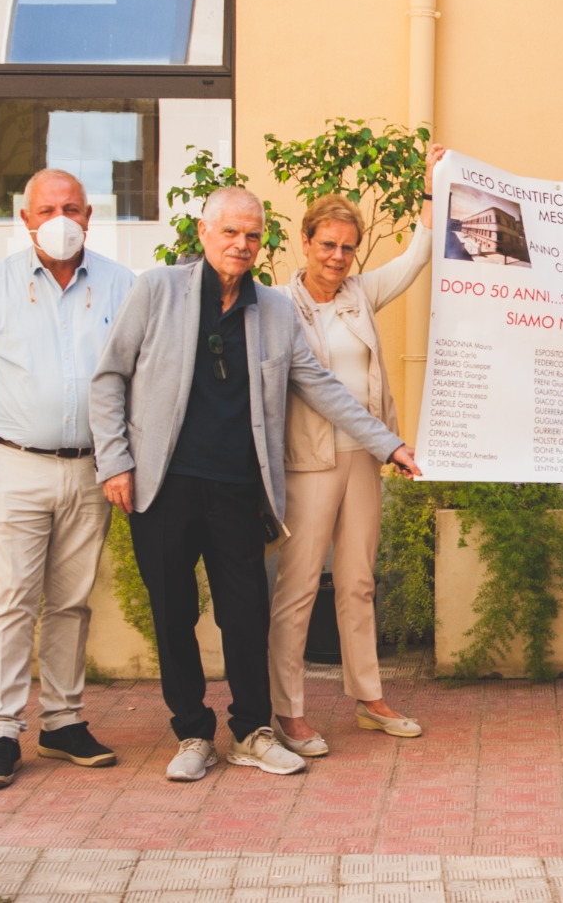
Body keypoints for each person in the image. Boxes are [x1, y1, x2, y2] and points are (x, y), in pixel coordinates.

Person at [90, 187, 421, 783]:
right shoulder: (157, 290)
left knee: (245, 616)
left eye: (251, 235)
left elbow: (319, 385)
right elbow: (110, 376)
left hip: (239, 488)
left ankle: (251, 731)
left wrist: (387, 444)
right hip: (163, 486)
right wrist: (115, 462)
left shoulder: (272, 309)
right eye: (230, 232)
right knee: (173, 614)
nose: (241, 245)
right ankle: (193, 732)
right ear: (204, 232)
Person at [0, 168, 136, 790]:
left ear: (89, 217)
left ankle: (62, 722)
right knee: (11, 598)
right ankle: (0, 729)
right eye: (46, 209)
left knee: (71, 601)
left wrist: (126, 461)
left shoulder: (121, 284)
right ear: (25, 219)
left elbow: (138, 374)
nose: (60, 219)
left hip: (91, 469)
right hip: (13, 465)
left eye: (71, 208)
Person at [269, 147, 441, 754]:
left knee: (358, 581)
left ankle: (369, 698)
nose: (337, 257)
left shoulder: (360, 293)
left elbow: (416, 257)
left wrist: (430, 187)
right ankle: (287, 711)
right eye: (327, 245)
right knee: (297, 588)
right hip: (307, 461)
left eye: (347, 247)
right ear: (305, 241)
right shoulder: (276, 305)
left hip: (366, 456)